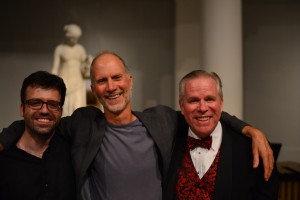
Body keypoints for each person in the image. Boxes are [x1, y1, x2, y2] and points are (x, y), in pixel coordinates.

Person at [0, 52, 273, 200]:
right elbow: (39, 117)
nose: (111, 87)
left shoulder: (162, 120)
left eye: (117, 77)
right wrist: (3, 139)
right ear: (93, 88)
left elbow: (201, 111)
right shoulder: (84, 123)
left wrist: (249, 129)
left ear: (129, 81)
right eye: (102, 81)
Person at [165, 70, 279, 199]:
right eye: (193, 100)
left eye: (209, 99)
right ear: (182, 106)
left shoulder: (253, 150)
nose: (202, 108)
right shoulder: (167, 142)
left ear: (221, 103)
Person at [0, 71, 75, 200]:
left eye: (53, 104)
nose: (45, 110)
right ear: (22, 109)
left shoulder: (74, 153)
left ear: (61, 111)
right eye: (35, 102)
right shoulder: (4, 159)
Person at [51, 24, 90, 116]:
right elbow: (55, 67)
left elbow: (85, 65)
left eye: (76, 38)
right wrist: (51, 83)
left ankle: (78, 128)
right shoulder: (60, 49)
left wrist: (88, 62)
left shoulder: (80, 48)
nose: (75, 40)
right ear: (68, 36)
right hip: (65, 79)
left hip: (78, 80)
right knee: (65, 108)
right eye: (73, 38)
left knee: (78, 106)